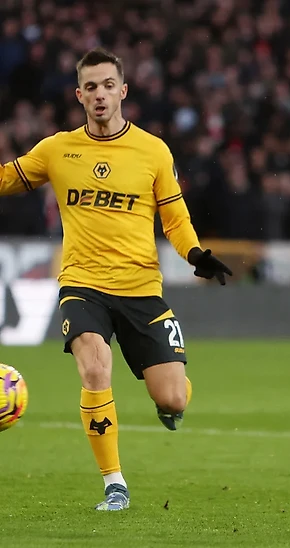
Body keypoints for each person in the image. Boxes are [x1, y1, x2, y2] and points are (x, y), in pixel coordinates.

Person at [0, 48, 232, 511]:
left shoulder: (152, 150)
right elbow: (7, 179)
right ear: (79, 95)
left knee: (173, 399)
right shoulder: (57, 149)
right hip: (82, 284)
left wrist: (195, 254)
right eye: (91, 87)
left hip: (141, 289)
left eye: (108, 85)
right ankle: (115, 484)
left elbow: (174, 218)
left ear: (123, 90)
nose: (100, 94)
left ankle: (170, 403)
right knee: (94, 366)